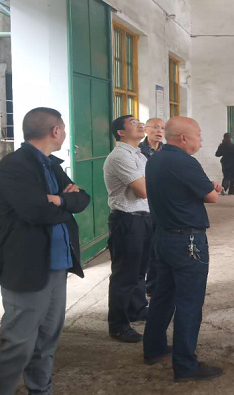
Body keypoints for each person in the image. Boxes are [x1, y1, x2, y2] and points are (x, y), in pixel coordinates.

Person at [0, 107, 90, 395]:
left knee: (47, 340)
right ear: (56, 131)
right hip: (27, 268)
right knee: (19, 345)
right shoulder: (16, 165)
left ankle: (41, 390)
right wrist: (62, 203)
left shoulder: (51, 164)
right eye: (63, 129)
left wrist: (57, 200)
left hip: (57, 267)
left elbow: (83, 199)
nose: (64, 133)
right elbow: (35, 212)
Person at [143, 117, 224, 382]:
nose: (200, 139)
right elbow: (211, 196)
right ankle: (186, 366)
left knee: (163, 295)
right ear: (184, 138)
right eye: (198, 134)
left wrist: (205, 188)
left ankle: (153, 348)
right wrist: (213, 188)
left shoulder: (156, 158)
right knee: (189, 302)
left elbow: (178, 191)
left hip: (164, 238)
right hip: (187, 242)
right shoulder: (184, 161)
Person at [103, 115, 153, 343]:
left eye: (140, 122)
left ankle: (137, 309)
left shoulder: (139, 155)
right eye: (133, 122)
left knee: (140, 270)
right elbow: (143, 190)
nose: (140, 125)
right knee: (124, 274)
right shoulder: (120, 156)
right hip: (127, 220)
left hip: (144, 218)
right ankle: (118, 324)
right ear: (120, 132)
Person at [139, 117, 165, 297]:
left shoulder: (167, 151)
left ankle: (154, 286)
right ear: (146, 130)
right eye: (155, 127)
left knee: (159, 247)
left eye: (162, 128)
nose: (159, 131)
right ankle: (145, 286)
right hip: (143, 204)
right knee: (145, 248)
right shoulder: (138, 151)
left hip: (163, 204)